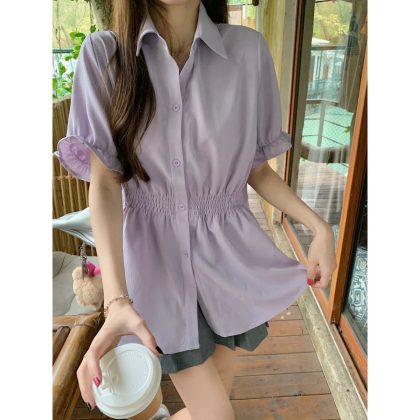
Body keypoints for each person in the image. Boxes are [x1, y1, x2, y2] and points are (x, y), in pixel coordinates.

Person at [54, 1, 337, 419]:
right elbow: (106, 184)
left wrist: (319, 226)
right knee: (217, 414)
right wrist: (116, 301)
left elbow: (257, 170)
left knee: (218, 386)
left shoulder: (248, 52)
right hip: (155, 270)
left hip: (229, 262)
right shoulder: (105, 56)